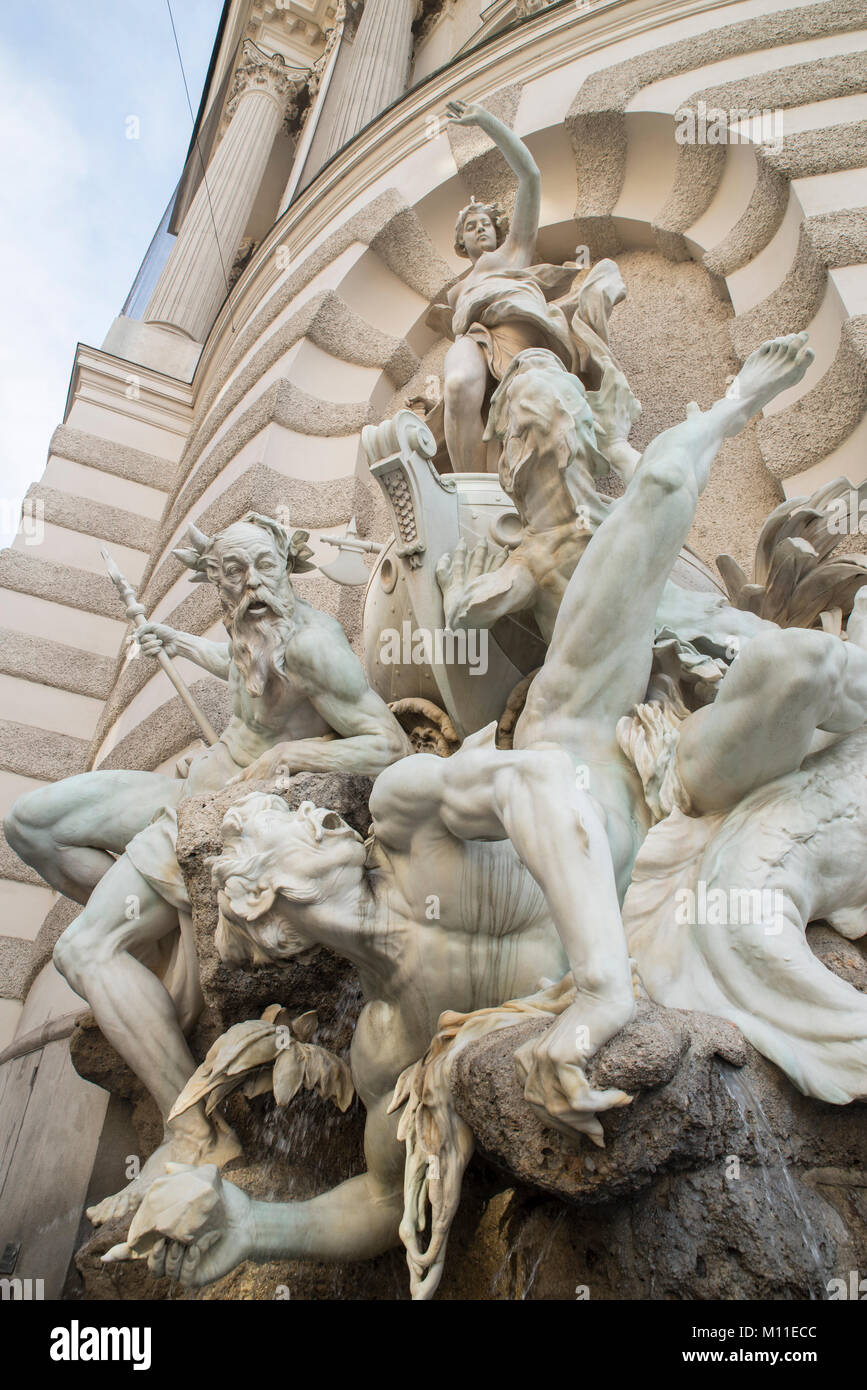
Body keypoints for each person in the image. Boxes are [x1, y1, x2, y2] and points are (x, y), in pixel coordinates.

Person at [5, 513, 410, 1223]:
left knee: (82, 949)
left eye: (262, 567)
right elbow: (242, 669)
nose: (251, 585)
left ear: (285, 565)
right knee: (28, 824)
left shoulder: (314, 644)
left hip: (226, 816)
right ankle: (175, 926)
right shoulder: (244, 626)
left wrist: (292, 757)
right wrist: (181, 643)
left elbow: (389, 746)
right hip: (195, 789)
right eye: (233, 573)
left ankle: (195, 1129)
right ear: (217, 584)